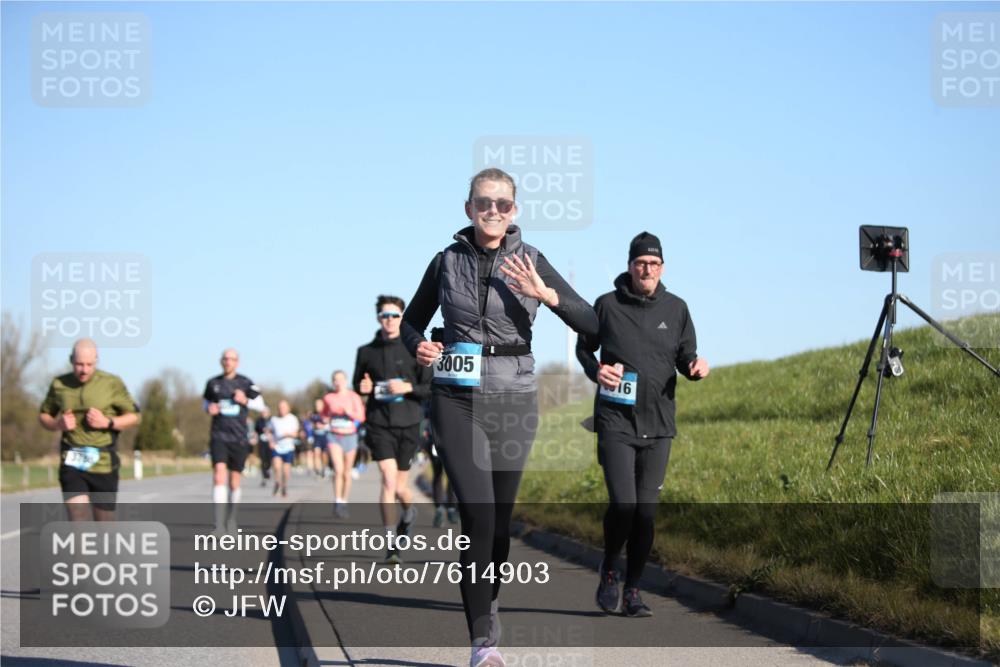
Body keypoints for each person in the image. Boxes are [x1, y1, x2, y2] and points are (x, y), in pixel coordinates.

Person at [401, 168, 599, 667]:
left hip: (514, 398)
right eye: (483, 203)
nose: (493, 211)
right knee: (478, 517)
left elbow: (592, 323)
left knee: (500, 525)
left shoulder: (532, 260)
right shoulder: (445, 261)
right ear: (468, 208)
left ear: (515, 210)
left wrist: (549, 294)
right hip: (456, 396)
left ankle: (488, 603)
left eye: (502, 204)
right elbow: (411, 320)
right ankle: (482, 640)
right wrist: (419, 346)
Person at [576, 231, 710, 617]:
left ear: (662, 268)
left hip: (659, 424)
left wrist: (695, 368)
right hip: (616, 420)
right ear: (630, 266)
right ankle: (609, 570)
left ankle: (633, 589)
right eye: (640, 263)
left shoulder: (677, 308)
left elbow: (687, 356)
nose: (646, 269)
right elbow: (584, 348)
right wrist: (596, 370)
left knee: (646, 513)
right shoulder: (606, 305)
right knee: (624, 505)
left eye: (653, 264)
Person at [354, 295, 433, 563]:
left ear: (402, 317)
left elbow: (428, 388)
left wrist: (408, 387)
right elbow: (359, 384)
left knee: (401, 487)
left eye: (395, 315)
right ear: (378, 318)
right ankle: (391, 544)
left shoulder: (416, 348)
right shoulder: (366, 352)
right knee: (387, 480)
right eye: (384, 315)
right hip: (379, 422)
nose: (389, 320)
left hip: (409, 423)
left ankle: (409, 512)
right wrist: (362, 388)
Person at [38, 338, 140, 521]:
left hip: (103, 461)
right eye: (79, 364)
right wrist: (57, 424)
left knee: (105, 523)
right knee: (78, 517)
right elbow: (44, 415)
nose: (84, 370)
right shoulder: (59, 384)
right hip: (72, 458)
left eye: (89, 364)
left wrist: (107, 422)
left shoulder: (111, 383)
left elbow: (134, 416)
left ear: (96, 360)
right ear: (71, 360)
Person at [203, 348, 261, 532]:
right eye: (225, 359)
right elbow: (205, 403)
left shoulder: (246, 383)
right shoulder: (213, 383)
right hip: (219, 435)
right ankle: (218, 525)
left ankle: (231, 520)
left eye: (232, 359)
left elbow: (261, 404)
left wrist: (245, 400)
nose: (228, 362)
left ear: (237, 362)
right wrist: (208, 408)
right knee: (219, 475)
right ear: (221, 361)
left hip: (239, 437)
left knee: (234, 481)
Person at [322, 370, 366, 517]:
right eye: (335, 379)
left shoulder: (353, 397)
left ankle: (344, 502)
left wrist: (349, 412)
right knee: (338, 470)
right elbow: (323, 414)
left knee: (347, 473)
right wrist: (325, 420)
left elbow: (361, 416)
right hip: (334, 436)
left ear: (346, 381)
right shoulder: (329, 398)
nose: (338, 382)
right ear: (332, 382)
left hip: (350, 436)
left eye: (340, 379)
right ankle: (337, 500)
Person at [269, 399, 299, 497]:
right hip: (277, 446)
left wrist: (288, 434)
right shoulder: (274, 419)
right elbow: (269, 431)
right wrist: (271, 441)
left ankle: (284, 486)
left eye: (284, 407)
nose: (282, 409)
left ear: (288, 408)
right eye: (280, 408)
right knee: (277, 467)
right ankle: (277, 482)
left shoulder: (293, 419)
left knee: (286, 471)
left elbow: (296, 434)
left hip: (288, 447)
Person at [309, 399, 330, 478]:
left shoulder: (326, 414)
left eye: (319, 405)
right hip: (316, 437)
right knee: (316, 453)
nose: (317, 407)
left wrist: (323, 426)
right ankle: (318, 470)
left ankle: (325, 468)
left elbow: (330, 424)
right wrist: (314, 427)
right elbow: (310, 426)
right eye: (316, 405)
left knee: (324, 454)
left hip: (325, 436)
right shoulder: (313, 415)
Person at [254, 407, 272, 486]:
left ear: (268, 413)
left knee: (269, 459)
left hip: (270, 442)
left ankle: (268, 469)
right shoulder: (258, 421)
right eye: (263, 412)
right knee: (262, 459)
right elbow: (256, 431)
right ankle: (264, 475)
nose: (264, 413)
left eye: (265, 412)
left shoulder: (272, 420)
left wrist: (269, 431)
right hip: (261, 442)